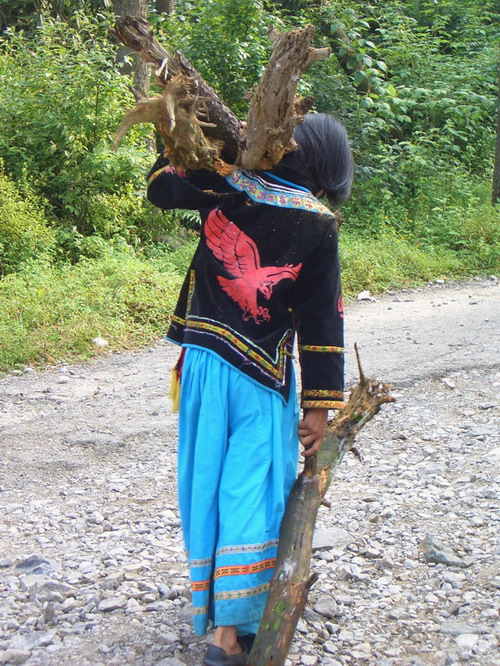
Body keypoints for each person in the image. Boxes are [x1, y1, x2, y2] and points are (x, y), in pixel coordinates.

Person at [147, 113, 354, 666]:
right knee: (250, 487)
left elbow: (160, 187)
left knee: (206, 482)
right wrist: (318, 408)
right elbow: (321, 322)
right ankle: (229, 636)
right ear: (331, 163)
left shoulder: (229, 181)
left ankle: (217, 606)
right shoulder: (317, 222)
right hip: (260, 375)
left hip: (201, 367)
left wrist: (186, 140)